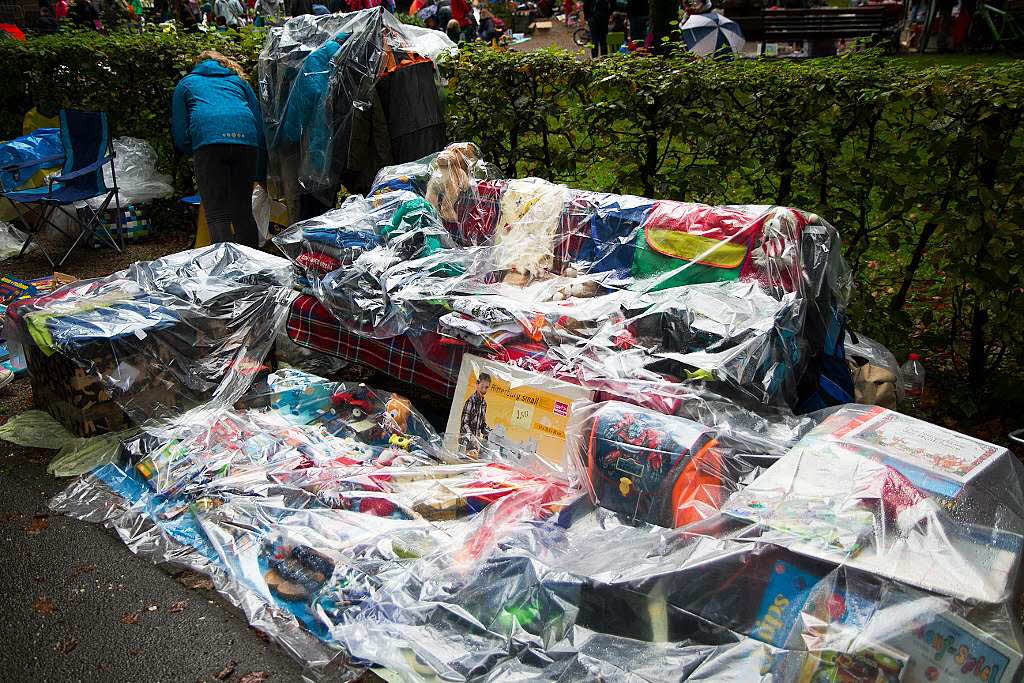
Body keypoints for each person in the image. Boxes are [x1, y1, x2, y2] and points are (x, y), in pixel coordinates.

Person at [172, 51, 267, 248]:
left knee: (217, 213)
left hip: (209, 144)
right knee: (242, 210)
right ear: (225, 63)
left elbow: (180, 131)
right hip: (246, 143)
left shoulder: (186, 83)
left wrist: (195, 150)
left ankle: (226, 270)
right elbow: (258, 121)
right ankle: (252, 266)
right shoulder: (239, 82)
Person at [459, 372, 491, 455]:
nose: (484, 390)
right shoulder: (470, 401)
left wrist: (490, 433)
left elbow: (482, 425)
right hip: (466, 443)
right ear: (477, 384)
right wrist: (471, 437)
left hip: (475, 444)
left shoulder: (484, 404)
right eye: (482, 386)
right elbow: (464, 424)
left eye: (486, 387)